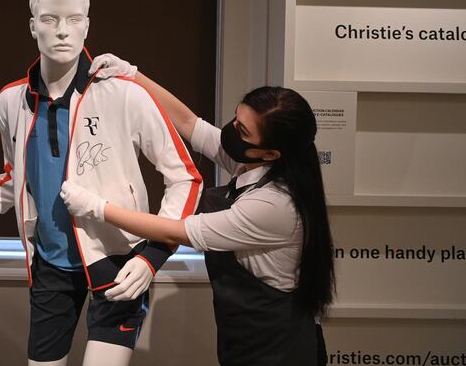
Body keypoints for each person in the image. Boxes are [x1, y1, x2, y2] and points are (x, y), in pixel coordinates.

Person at [0, 0, 202, 366]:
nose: (62, 32)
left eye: (74, 20)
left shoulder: (123, 93)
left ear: (87, 25)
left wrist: (154, 255)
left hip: (121, 259)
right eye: (50, 19)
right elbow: (15, 179)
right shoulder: (11, 101)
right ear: (32, 25)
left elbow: (185, 177)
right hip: (50, 264)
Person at [60, 53, 335, 366]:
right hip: (244, 340)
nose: (231, 131)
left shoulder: (274, 205)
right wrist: (134, 74)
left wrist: (98, 208)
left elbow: (178, 230)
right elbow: (190, 124)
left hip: (279, 350)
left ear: (271, 152)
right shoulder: (251, 163)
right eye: (235, 119)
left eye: (242, 131)